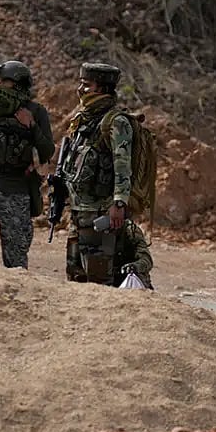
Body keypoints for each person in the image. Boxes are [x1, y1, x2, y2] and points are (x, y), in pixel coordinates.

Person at [0, 60, 54, 269]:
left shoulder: (36, 112)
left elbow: (47, 152)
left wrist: (31, 126)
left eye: (3, 81)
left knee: (16, 261)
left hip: (16, 193)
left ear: (17, 84)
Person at [60, 62, 133, 284]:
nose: (80, 90)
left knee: (99, 279)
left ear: (101, 89)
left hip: (100, 211)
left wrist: (119, 204)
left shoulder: (116, 122)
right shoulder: (85, 119)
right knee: (76, 276)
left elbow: (123, 165)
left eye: (86, 85)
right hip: (79, 210)